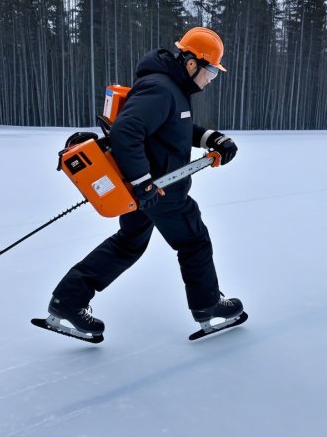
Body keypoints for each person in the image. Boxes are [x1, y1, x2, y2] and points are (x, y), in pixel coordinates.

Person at [47, 27, 244, 337]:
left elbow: (174, 128)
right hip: (161, 189)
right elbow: (127, 132)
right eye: (210, 72)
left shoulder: (173, 89)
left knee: (129, 243)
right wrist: (143, 182)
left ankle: (68, 301)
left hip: (150, 190)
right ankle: (208, 306)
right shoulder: (161, 89)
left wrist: (210, 137)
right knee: (193, 240)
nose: (210, 80)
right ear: (191, 63)